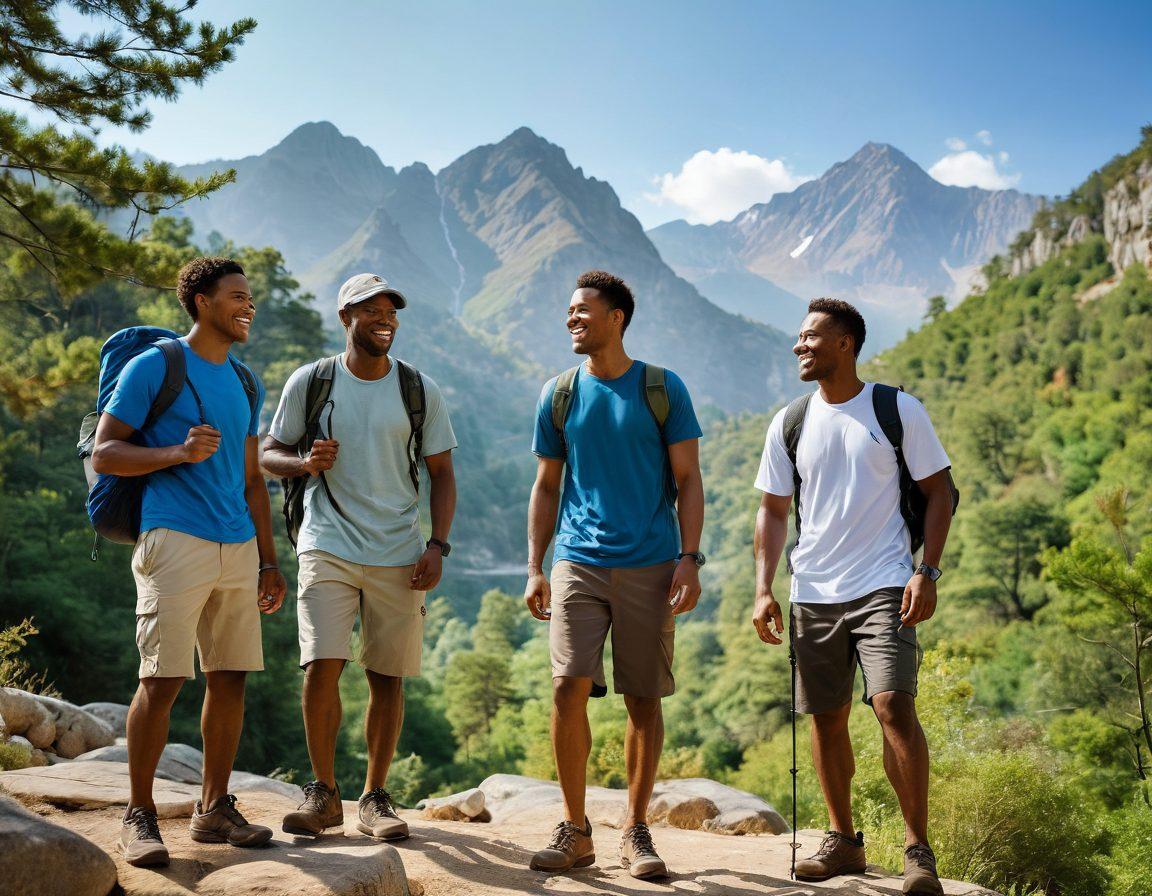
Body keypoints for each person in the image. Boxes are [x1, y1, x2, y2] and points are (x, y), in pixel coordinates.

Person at [751, 298, 953, 895]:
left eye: (811, 336)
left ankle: (919, 852)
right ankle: (843, 841)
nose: (799, 346)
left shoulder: (896, 410)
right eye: (799, 337)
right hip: (812, 591)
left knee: (892, 705)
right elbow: (771, 510)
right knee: (826, 716)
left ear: (845, 343)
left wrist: (928, 571)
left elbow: (940, 493)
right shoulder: (789, 421)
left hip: (885, 582)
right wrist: (763, 588)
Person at [92, 257, 286, 868]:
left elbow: (254, 479)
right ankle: (139, 815)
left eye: (250, 297)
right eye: (236, 296)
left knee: (230, 676)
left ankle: (213, 809)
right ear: (201, 302)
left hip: (237, 545)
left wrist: (269, 561)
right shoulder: (157, 365)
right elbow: (104, 452)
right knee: (163, 678)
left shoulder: (246, 380)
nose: (247, 306)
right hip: (173, 535)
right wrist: (176, 450)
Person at [523, 270, 705, 880]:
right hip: (577, 560)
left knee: (642, 698)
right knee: (566, 687)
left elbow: (688, 479)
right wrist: (534, 566)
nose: (572, 319)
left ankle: (635, 831)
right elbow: (546, 485)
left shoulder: (661, 388)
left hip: (652, 563)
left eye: (583, 311)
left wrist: (689, 557)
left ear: (617, 317)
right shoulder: (560, 393)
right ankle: (575, 831)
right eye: (569, 311)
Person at [263, 272, 457, 842]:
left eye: (391, 312)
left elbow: (443, 474)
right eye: (370, 311)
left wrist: (437, 545)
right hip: (326, 541)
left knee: (387, 675)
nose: (384, 320)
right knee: (321, 662)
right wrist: (304, 464)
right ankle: (324, 794)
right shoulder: (312, 382)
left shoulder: (419, 389)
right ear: (345, 318)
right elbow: (268, 453)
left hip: (400, 549)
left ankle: (374, 797)